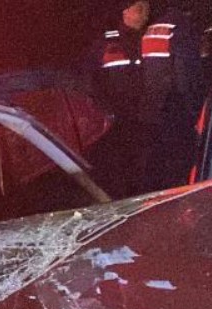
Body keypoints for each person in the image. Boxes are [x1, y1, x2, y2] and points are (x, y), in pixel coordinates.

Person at [137, 0, 203, 190]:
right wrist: (193, 109)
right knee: (178, 167)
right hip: (175, 107)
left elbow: (146, 70)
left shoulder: (152, 29)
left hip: (152, 108)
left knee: (156, 164)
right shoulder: (182, 27)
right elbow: (185, 73)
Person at [90, 1, 152, 196]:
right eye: (140, 9)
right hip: (116, 122)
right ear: (126, 11)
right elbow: (91, 79)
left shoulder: (148, 38)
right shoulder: (107, 42)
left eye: (147, 9)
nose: (145, 14)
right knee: (120, 172)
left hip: (143, 117)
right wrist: (104, 110)